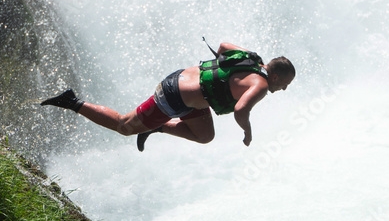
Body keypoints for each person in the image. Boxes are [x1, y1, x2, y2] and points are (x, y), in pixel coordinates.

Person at [41, 42, 295, 151]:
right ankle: (71, 101)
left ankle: (155, 128)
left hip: (186, 88)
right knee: (124, 125)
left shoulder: (252, 58)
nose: (283, 89)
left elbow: (223, 47)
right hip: (173, 97)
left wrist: (222, 75)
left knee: (205, 136)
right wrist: (247, 132)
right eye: (285, 84)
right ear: (275, 77)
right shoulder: (260, 85)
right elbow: (241, 110)